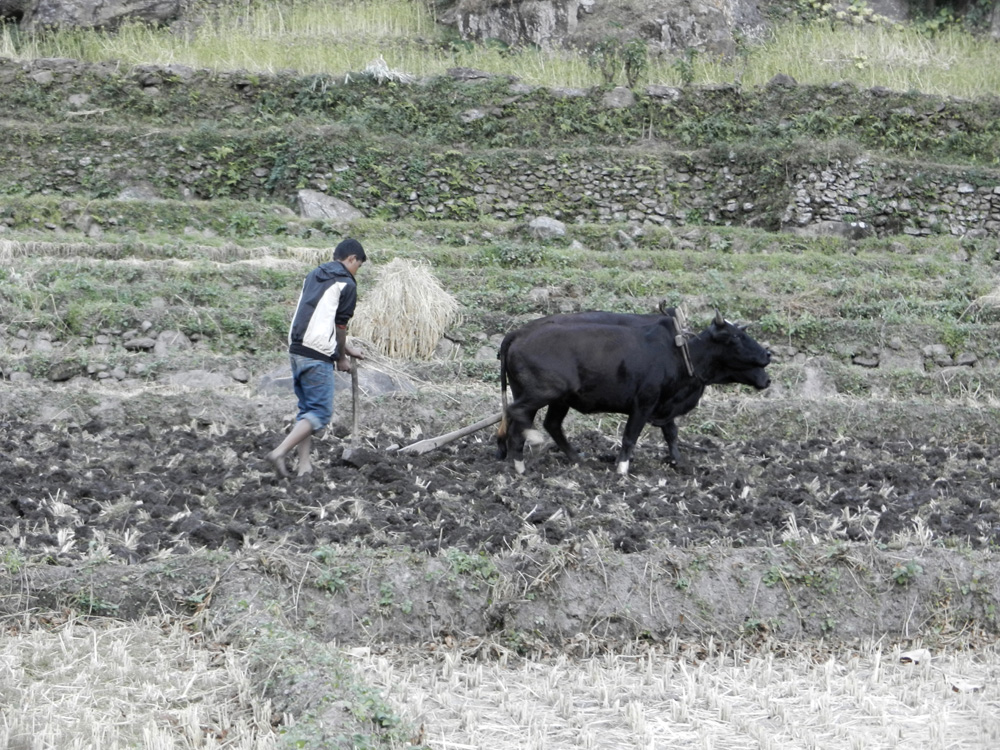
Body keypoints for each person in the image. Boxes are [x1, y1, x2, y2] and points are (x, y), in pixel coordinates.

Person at [267, 238, 366, 478]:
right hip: (317, 353)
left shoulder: (314, 275)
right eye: (358, 266)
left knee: (306, 411)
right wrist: (341, 357)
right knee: (320, 414)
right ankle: (279, 452)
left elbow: (322, 317)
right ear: (351, 259)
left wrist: (347, 348)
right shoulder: (346, 284)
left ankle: (304, 466)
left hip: (297, 348)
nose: (356, 272)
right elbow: (340, 326)